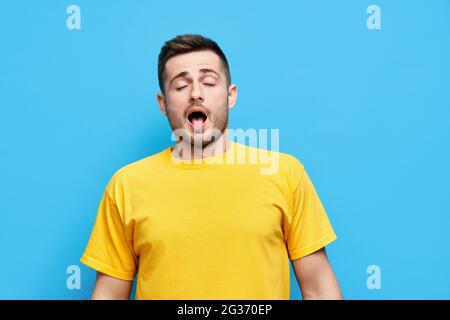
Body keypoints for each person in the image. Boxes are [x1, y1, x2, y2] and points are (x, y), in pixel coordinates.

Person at [80, 34, 343, 300]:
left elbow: (320, 290)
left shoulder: (284, 173)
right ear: (163, 103)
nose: (196, 93)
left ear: (231, 95)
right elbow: (109, 295)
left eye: (208, 82)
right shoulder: (127, 184)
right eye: (181, 85)